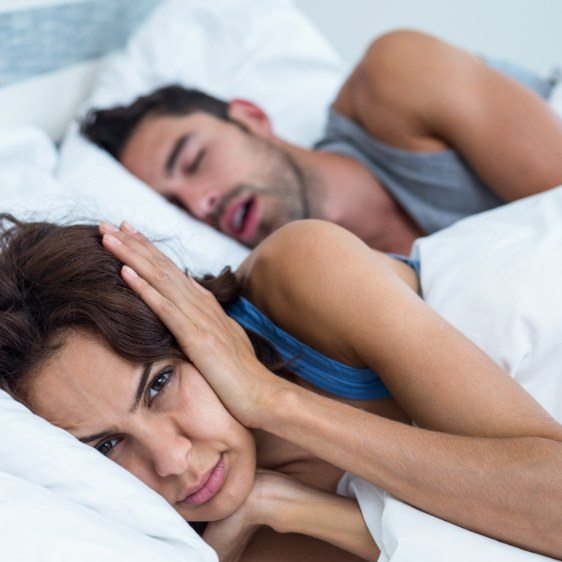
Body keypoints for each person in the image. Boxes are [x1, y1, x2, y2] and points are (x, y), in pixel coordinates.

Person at [1, 214, 561, 560]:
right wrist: (288, 507)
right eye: (106, 446)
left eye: (159, 384)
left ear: (193, 325)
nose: (172, 460)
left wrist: (273, 400)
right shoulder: (200, 539)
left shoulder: (300, 280)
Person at [81, 30, 562, 254]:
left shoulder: (394, 82)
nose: (199, 201)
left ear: (250, 117)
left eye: (194, 160)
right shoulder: (313, 291)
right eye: (175, 206)